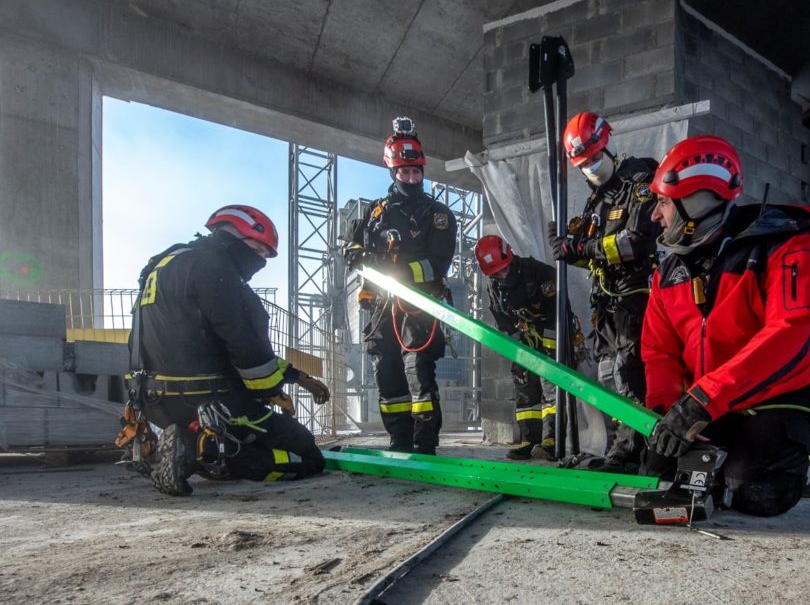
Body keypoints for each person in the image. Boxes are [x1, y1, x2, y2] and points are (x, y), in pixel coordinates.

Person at [642, 135, 810, 517]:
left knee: (755, 489)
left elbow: (789, 330)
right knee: (656, 473)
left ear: (695, 202)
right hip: (711, 401)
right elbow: (659, 351)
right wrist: (668, 415)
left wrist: (701, 401)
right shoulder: (668, 274)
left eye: (663, 202)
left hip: (778, 394)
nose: (654, 216)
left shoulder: (782, 245)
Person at [127, 204, 330, 496]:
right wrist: (271, 391)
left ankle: (181, 444)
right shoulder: (216, 268)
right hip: (213, 401)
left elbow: (213, 346)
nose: (259, 262)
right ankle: (204, 454)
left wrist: (297, 377)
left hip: (153, 402)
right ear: (233, 235)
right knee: (309, 457)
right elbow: (244, 343)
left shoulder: (163, 265)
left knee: (258, 434)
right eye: (256, 250)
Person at [546, 112, 660, 472]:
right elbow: (593, 253)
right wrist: (567, 248)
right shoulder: (596, 201)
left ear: (608, 146)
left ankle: (633, 454)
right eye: (584, 163)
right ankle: (621, 449)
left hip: (635, 293)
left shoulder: (639, 181)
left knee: (629, 372)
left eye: (595, 158)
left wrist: (580, 248)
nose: (592, 167)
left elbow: (638, 242)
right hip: (606, 299)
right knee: (609, 374)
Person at [344, 117, 456, 455]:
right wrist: (359, 255)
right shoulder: (375, 213)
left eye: (416, 172)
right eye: (404, 173)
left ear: (423, 171)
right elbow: (352, 248)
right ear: (393, 173)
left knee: (418, 370)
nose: (411, 178)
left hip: (418, 304)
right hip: (380, 305)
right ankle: (399, 440)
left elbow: (438, 264)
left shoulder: (437, 214)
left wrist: (404, 272)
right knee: (387, 372)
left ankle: (425, 443)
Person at [475, 234, 573, 461]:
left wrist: (550, 348)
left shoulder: (539, 273)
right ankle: (530, 440)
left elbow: (557, 310)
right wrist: (518, 345)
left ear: (510, 256)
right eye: (495, 274)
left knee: (551, 388)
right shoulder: (494, 287)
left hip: (550, 337)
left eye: (504, 270)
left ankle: (552, 441)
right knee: (524, 388)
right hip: (525, 341)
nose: (501, 276)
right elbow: (503, 320)